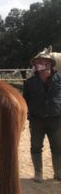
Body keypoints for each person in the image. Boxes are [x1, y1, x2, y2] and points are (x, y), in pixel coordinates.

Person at [23, 48, 61, 182]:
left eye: (41, 61)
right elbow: (25, 102)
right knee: (36, 146)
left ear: (49, 64)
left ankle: (58, 173)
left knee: (57, 146)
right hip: (36, 119)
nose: (38, 64)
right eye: (37, 62)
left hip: (56, 119)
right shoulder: (29, 83)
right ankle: (38, 174)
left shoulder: (60, 78)